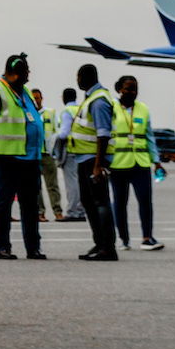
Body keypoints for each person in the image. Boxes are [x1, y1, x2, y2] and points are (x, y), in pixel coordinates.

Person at [0, 54, 46, 260]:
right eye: (26, 73)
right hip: (7, 157)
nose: (29, 77)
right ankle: (2, 247)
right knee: (4, 202)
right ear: (14, 73)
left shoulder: (24, 92)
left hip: (30, 157)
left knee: (30, 204)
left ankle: (33, 247)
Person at [64, 64, 119, 262]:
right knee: (88, 202)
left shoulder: (98, 101)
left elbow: (103, 135)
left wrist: (98, 166)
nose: (77, 80)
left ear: (84, 77)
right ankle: (100, 243)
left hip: (92, 160)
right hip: (84, 158)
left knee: (100, 203)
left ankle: (108, 248)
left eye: (78, 76)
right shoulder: (90, 99)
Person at [108, 75, 162, 251]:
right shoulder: (111, 107)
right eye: (128, 88)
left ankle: (147, 237)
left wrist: (157, 161)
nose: (132, 92)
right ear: (119, 89)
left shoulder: (143, 109)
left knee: (145, 201)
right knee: (120, 202)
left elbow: (149, 136)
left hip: (141, 163)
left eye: (134, 89)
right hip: (118, 163)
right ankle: (124, 239)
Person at [51, 87, 85, 222]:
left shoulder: (67, 111)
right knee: (80, 183)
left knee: (72, 184)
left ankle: (72, 211)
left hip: (70, 151)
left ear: (64, 98)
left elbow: (64, 133)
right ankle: (81, 211)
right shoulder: (81, 108)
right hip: (82, 150)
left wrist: (53, 140)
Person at [30, 88, 61, 222]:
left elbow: (57, 132)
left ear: (42, 98)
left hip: (47, 154)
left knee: (52, 185)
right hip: (33, 155)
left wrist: (55, 152)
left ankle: (57, 211)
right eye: (33, 99)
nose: (35, 101)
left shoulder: (50, 113)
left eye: (37, 98)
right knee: (36, 187)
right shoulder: (27, 114)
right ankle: (39, 212)